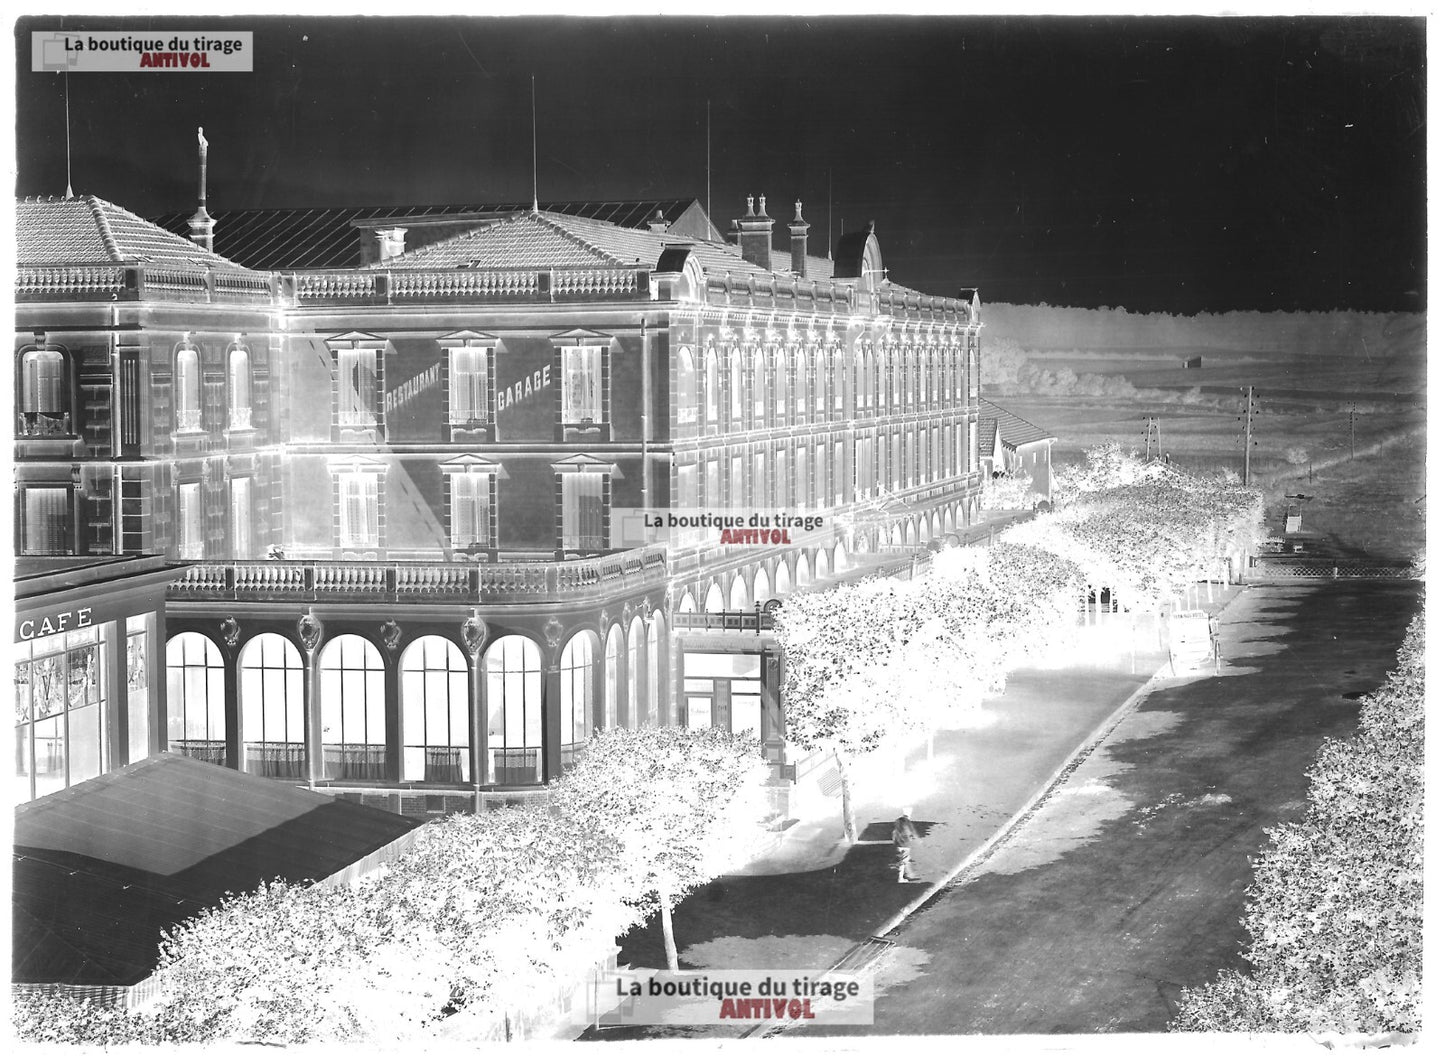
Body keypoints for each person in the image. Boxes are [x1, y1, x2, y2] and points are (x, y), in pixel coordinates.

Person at [893, 807, 922, 883]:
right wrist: (917, 839)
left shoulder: (898, 822)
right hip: (905, 844)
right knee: (904, 861)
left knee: (903, 860)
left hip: (898, 844)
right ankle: (902, 877)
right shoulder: (907, 822)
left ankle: (908, 874)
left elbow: (894, 833)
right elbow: (912, 832)